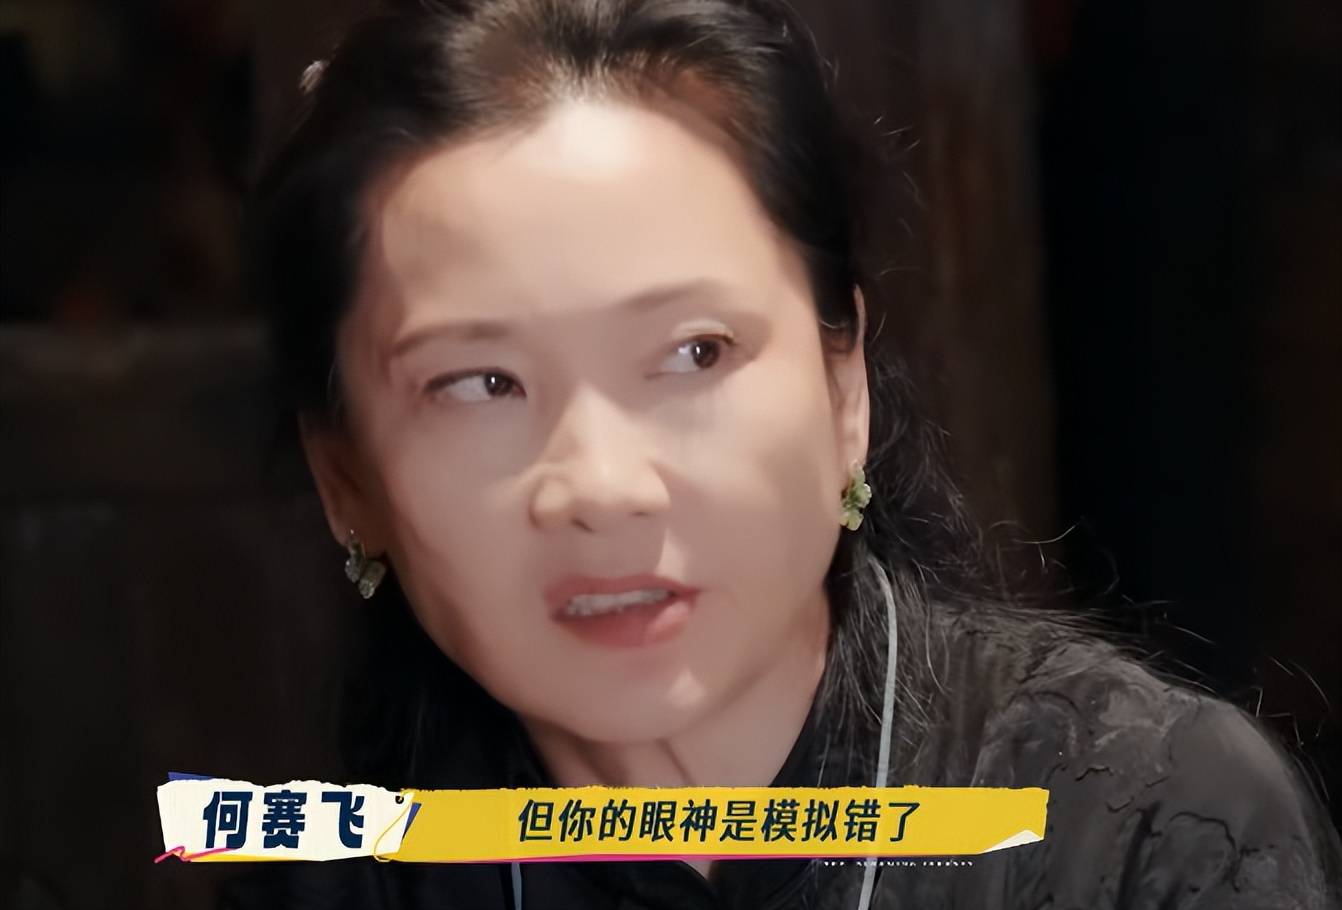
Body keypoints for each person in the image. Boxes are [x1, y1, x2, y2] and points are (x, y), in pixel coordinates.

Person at [224, 0, 1342, 907]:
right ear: (345, 480)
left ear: (844, 384)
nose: (603, 487)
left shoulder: (1145, 826)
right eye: (480, 383)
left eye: (695, 353)